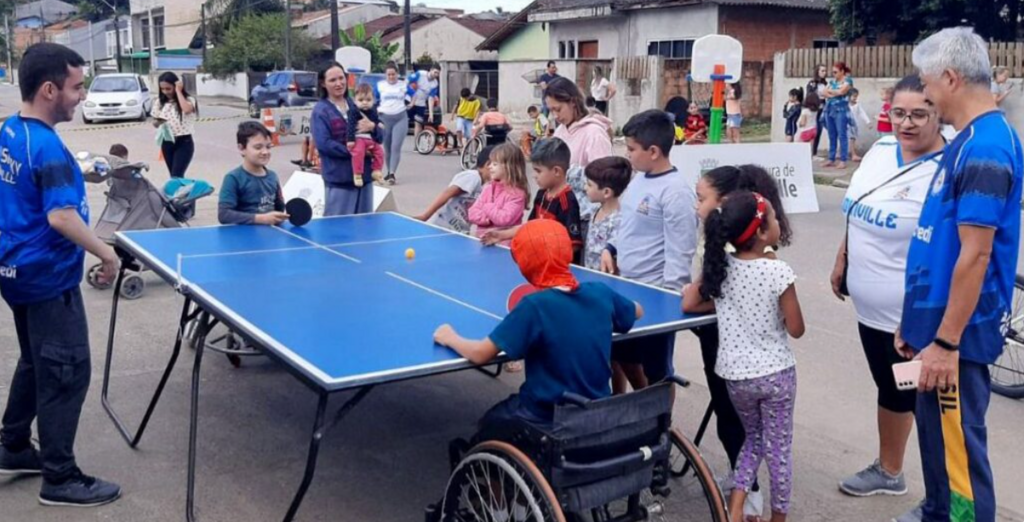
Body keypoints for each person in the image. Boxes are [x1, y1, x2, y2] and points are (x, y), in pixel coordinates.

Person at [893, 27, 1023, 522]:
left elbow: (976, 255)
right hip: (935, 330)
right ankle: (936, 512)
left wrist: (946, 342)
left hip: (957, 339)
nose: (925, 95)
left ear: (949, 77)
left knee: (960, 460)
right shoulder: (967, 140)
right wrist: (916, 324)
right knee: (937, 446)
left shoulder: (987, 148)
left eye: (927, 84)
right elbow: (941, 242)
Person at [0, 42, 122, 507]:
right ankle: (60, 477)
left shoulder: (10, 129)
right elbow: (61, 217)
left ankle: (13, 446)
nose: (82, 95)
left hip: (14, 271)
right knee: (66, 371)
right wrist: (106, 255)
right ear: (49, 90)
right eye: (77, 87)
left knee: (36, 361)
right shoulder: (48, 146)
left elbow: (27, 187)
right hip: (48, 278)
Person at [827, 74, 946, 502]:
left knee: (917, 396)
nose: (906, 123)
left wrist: (925, 322)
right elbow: (857, 208)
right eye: (899, 113)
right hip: (869, 309)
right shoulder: (879, 151)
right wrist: (843, 256)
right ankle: (889, 470)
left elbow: (953, 251)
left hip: (909, 320)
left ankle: (942, 496)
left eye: (919, 114)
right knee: (890, 386)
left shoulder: (947, 169)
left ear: (939, 114)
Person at [433, 219, 643, 435]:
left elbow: (480, 354)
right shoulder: (600, 293)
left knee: (488, 424)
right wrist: (616, 308)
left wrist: (450, 337)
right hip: (597, 409)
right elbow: (637, 311)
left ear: (525, 263)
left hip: (545, 415)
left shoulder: (534, 307)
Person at [683, 191, 805, 522]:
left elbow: (690, 303)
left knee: (753, 440)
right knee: (779, 451)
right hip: (776, 376)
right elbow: (796, 328)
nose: (779, 222)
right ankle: (777, 519)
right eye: (774, 218)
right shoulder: (778, 271)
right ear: (762, 232)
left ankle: (736, 510)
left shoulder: (722, 269)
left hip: (736, 377)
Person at [601, 109, 697, 385]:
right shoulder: (639, 179)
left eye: (632, 149)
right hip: (627, 288)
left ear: (653, 151)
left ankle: (660, 413)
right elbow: (627, 223)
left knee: (658, 371)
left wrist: (669, 300)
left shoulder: (675, 192)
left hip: (655, 295)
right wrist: (611, 248)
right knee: (624, 356)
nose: (627, 154)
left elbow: (681, 250)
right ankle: (642, 406)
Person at [581, 156, 638, 393]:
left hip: (609, 293)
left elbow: (616, 259)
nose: (584, 188)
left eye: (589, 185)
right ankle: (617, 394)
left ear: (606, 192)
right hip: (592, 287)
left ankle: (640, 393)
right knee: (608, 352)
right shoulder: (595, 210)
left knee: (621, 353)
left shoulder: (619, 220)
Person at [482, 138, 583, 260]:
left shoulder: (567, 202)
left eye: (538, 171)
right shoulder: (542, 194)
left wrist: (549, 257)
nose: (534, 176)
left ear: (556, 171)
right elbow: (530, 226)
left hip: (556, 264)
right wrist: (502, 235)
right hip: (540, 260)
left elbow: (574, 245)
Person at [546, 77, 613, 238]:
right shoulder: (561, 131)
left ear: (573, 102)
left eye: (558, 109)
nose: (555, 116)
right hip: (562, 212)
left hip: (585, 219)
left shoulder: (594, 134)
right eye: (551, 111)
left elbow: (604, 178)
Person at [311, 62, 380, 216]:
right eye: (332, 80)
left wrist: (373, 127)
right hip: (339, 180)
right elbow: (324, 144)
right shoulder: (320, 111)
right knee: (339, 228)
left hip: (364, 179)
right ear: (323, 83)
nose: (339, 83)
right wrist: (356, 152)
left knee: (365, 225)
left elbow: (379, 137)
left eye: (341, 78)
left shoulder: (358, 105)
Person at [218, 121, 288, 226]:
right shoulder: (233, 178)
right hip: (243, 233)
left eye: (268, 147)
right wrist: (260, 219)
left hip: (270, 233)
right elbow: (224, 214)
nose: (265, 152)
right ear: (241, 149)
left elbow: (280, 208)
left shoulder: (273, 176)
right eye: (258, 147)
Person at [415, 144, 495, 234]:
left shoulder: (488, 186)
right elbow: (447, 193)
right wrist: (425, 216)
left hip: (459, 231)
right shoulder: (473, 177)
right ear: (488, 164)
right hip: (441, 224)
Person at [467, 143, 529, 246]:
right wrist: (488, 220)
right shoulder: (488, 188)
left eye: (495, 164)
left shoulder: (517, 195)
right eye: (490, 163)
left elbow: (504, 219)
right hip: (481, 241)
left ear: (509, 167)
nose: (490, 167)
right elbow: (472, 213)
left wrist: (487, 207)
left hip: (503, 245)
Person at [151, 71, 197, 178]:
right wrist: (159, 122)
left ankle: (179, 189)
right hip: (167, 141)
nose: (165, 92)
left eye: (168, 88)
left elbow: (186, 109)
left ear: (175, 86)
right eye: (163, 89)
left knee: (177, 175)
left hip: (184, 141)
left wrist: (178, 91)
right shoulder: (159, 102)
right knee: (173, 176)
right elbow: (155, 123)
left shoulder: (188, 100)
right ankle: (178, 189)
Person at [347, 83, 385, 188]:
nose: (365, 103)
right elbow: (350, 125)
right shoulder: (354, 111)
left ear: (373, 100)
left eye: (368, 100)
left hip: (370, 138)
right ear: (355, 100)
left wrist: (378, 124)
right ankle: (357, 173)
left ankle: (376, 170)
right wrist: (350, 139)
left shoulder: (373, 111)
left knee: (380, 152)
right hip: (359, 138)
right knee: (358, 152)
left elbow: (376, 120)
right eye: (361, 100)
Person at [377, 62, 408, 186]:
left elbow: (413, 94)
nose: (391, 77)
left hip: (400, 117)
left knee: (395, 146)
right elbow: (373, 99)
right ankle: (388, 170)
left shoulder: (403, 85)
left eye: (393, 74)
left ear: (397, 74)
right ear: (385, 75)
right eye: (389, 74)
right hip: (384, 118)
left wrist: (411, 103)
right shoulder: (380, 86)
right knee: (387, 147)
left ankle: (392, 173)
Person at [823, 61, 854, 169]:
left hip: (841, 110)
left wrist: (831, 92)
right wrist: (834, 92)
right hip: (829, 109)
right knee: (832, 134)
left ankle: (843, 159)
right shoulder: (832, 81)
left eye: (835, 72)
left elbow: (842, 92)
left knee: (842, 135)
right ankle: (831, 158)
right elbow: (824, 92)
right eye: (833, 72)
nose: (833, 74)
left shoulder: (848, 81)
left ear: (842, 71)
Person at [407, 64, 441, 137]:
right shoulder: (420, 74)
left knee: (418, 124)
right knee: (404, 121)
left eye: (438, 73)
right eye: (435, 72)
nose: (436, 75)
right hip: (410, 101)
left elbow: (431, 98)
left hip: (421, 104)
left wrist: (431, 114)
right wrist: (410, 91)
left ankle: (416, 143)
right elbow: (407, 81)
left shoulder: (435, 83)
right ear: (431, 70)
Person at [806, 64, 829, 157]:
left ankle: (814, 152)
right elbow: (809, 95)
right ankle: (809, 152)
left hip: (822, 109)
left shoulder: (825, 83)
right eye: (822, 71)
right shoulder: (812, 83)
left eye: (825, 71)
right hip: (814, 109)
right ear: (817, 72)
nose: (824, 73)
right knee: (812, 130)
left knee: (819, 130)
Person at [847, 89, 871, 162]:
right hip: (846, 125)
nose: (855, 98)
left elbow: (862, 113)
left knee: (852, 139)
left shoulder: (857, 105)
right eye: (854, 96)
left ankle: (852, 153)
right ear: (848, 96)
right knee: (848, 139)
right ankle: (852, 154)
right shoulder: (845, 105)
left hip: (854, 125)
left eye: (856, 96)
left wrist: (868, 122)